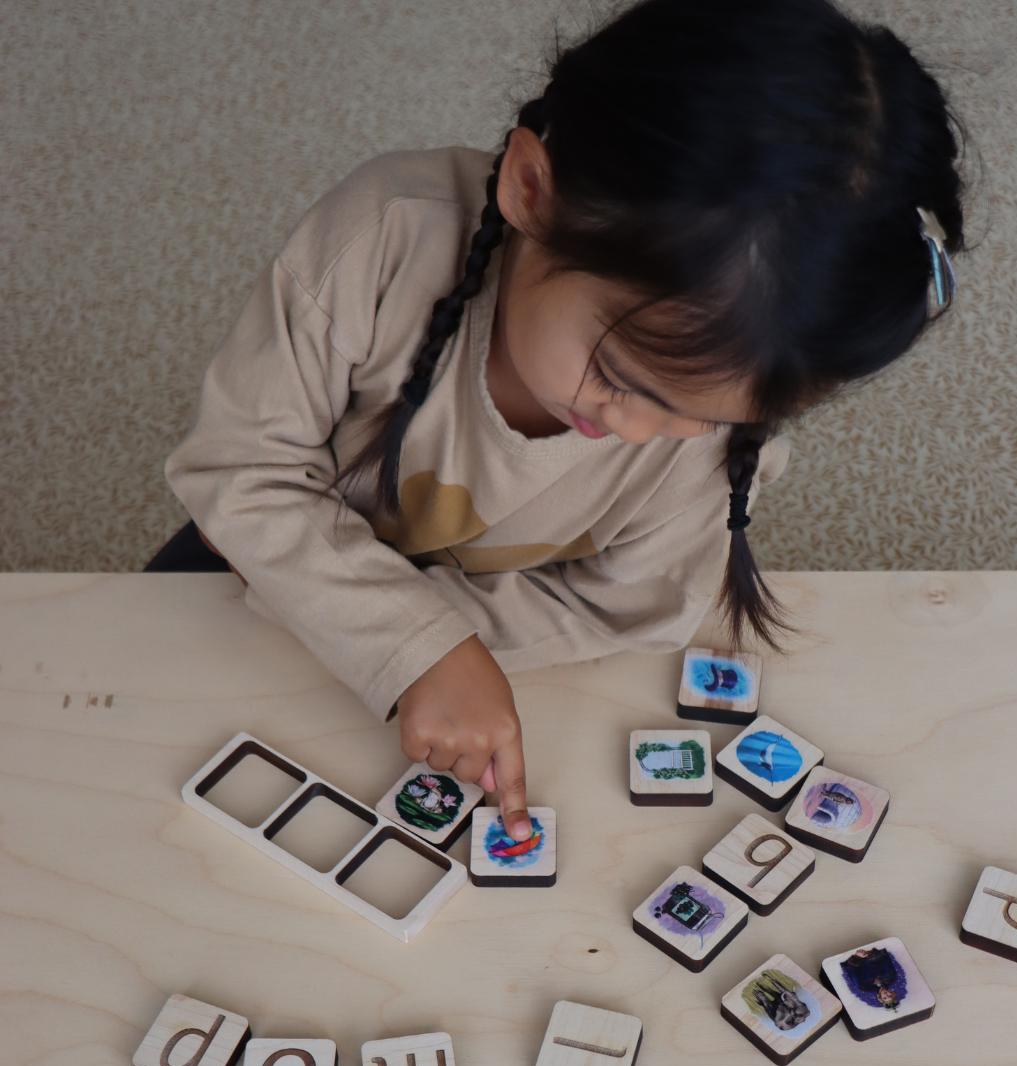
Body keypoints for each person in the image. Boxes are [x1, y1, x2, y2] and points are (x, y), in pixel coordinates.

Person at [148, 0, 971, 843]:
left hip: (379, 635)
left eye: (702, 415)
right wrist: (413, 642)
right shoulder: (385, 238)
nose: (646, 432)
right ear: (530, 190)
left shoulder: (708, 441)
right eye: (620, 377)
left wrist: (423, 647)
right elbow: (239, 474)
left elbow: (628, 609)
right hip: (241, 576)